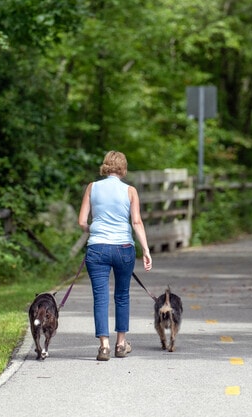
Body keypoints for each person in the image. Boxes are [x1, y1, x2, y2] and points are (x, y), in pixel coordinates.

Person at [78, 151, 152, 361]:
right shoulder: (130, 191)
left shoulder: (92, 187)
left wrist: (93, 231)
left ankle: (104, 346)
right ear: (123, 168)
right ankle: (121, 344)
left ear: (105, 167)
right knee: (122, 295)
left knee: (100, 298)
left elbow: (82, 221)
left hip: (98, 248)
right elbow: (136, 222)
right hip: (123, 248)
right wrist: (146, 250)